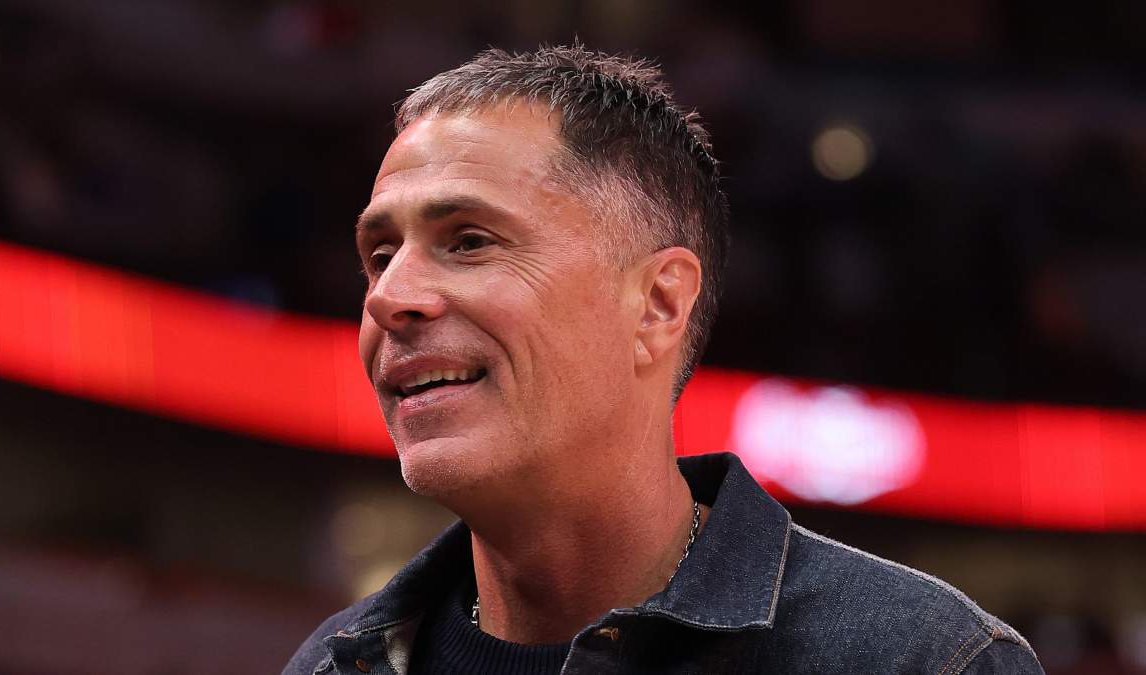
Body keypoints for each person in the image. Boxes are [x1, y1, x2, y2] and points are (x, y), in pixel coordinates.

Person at [283, 44, 1043, 675]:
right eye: (379, 256)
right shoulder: (329, 665)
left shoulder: (923, 660)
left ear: (657, 304)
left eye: (470, 241)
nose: (389, 296)